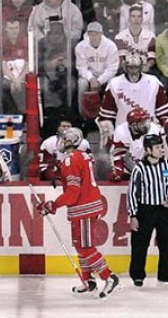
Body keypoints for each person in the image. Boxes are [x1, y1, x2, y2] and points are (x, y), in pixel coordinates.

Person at [37, 127, 120, 298]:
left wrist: (53, 205)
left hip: (84, 208)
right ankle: (88, 281)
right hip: (87, 206)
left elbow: (72, 193)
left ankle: (109, 277)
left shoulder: (71, 160)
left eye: (64, 139)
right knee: (80, 245)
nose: (61, 142)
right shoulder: (83, 156)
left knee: (85, 246)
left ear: (71, 141)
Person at [127, 134, 168, 287]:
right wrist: (133, 215)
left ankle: (167, 275)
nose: (161, 150)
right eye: (157, 147)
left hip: (165, 210)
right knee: (140, 243)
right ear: (148, 150)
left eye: (161, 146)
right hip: (145, 210)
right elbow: (133, 192)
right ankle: (138, 275)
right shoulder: (139, 169)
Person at [97, 52, 168, 148]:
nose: (133, 71)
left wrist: (164, 131)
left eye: (136, 67)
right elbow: (107, 116)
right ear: (125, 67)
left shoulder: (154, 82)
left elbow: (163, 113)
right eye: (130, 68)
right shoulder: (114, 84)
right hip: (124, 132)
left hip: (150, 131)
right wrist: (109, 135)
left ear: (140, 67)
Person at [110, 107, 163, 181]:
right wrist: (118, 173)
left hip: (145, 167)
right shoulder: (121, 132)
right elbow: (119, 158)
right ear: (134, 126)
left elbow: (160, 156)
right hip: (125, 169)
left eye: (146, 121)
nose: (146, 125)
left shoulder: (153, 129)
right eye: (142, 123)